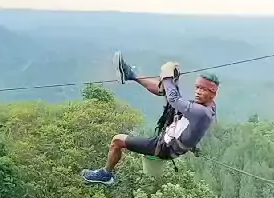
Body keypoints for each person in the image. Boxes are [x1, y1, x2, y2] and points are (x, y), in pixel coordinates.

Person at [81, 51, 219, 186]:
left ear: (213, 93)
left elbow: (174, 100)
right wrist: (193, 144)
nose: (198, 92)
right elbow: (194, 127)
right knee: (166, 90)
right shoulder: (207, 107)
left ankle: (106, 175)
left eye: (204, 89)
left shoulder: (202, 112)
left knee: (117, 141)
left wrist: (167, 75)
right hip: (171, 139)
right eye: (197, 87)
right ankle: (130, 74)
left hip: (165, 147)